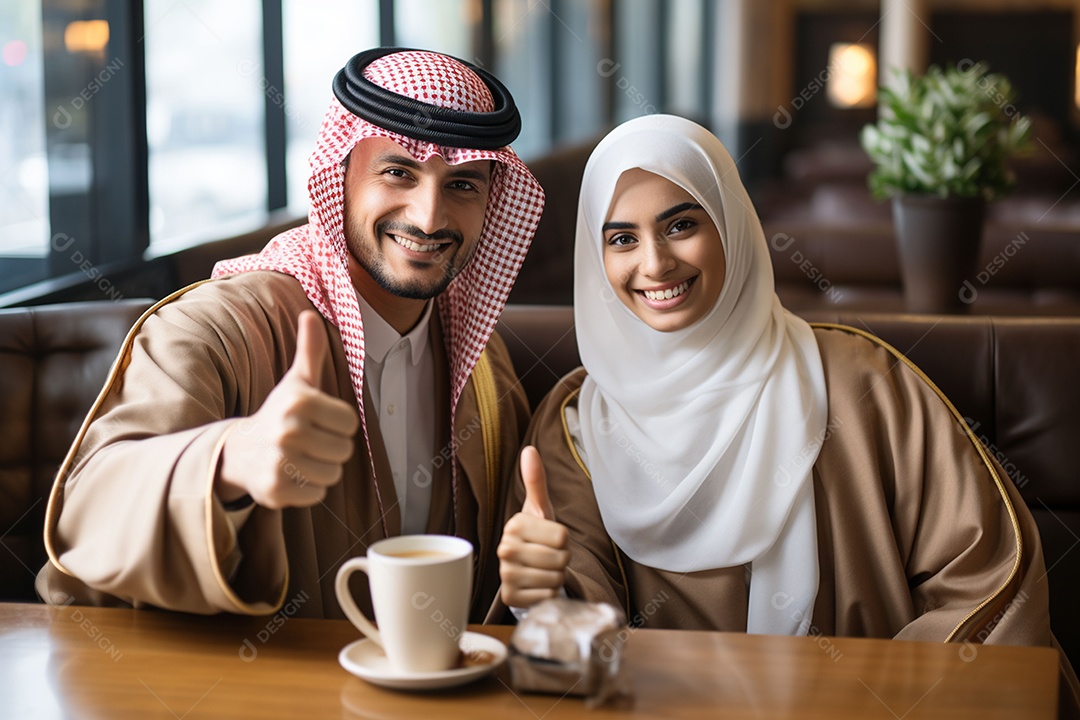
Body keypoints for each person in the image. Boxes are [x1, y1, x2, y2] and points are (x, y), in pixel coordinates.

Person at [496, 114, 1079, 709]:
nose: (655, 263)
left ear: (733, 226)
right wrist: (540, 597)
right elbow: (577, 648)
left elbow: (986, 584)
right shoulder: (575, 426)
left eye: (681, 225)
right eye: (622, 238)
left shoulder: (862, 382)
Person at [37, 48, 543, 622]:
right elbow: (85, 517)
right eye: (398, 172)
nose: (429, 217)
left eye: (462, 185)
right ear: (341, 174)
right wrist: (228, 460)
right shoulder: (219, 329)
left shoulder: (482, 362)